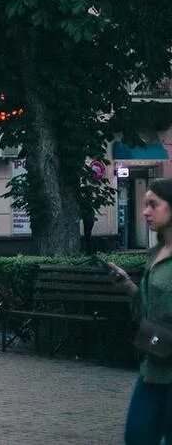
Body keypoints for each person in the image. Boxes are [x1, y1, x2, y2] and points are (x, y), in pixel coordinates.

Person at [112, 178, 172, 444]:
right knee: (137, 436)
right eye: (145, 204)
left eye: (153, 205)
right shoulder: (157, 251)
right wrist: (128, 286)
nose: (145, 211)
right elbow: (149, 307)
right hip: (154, 364)